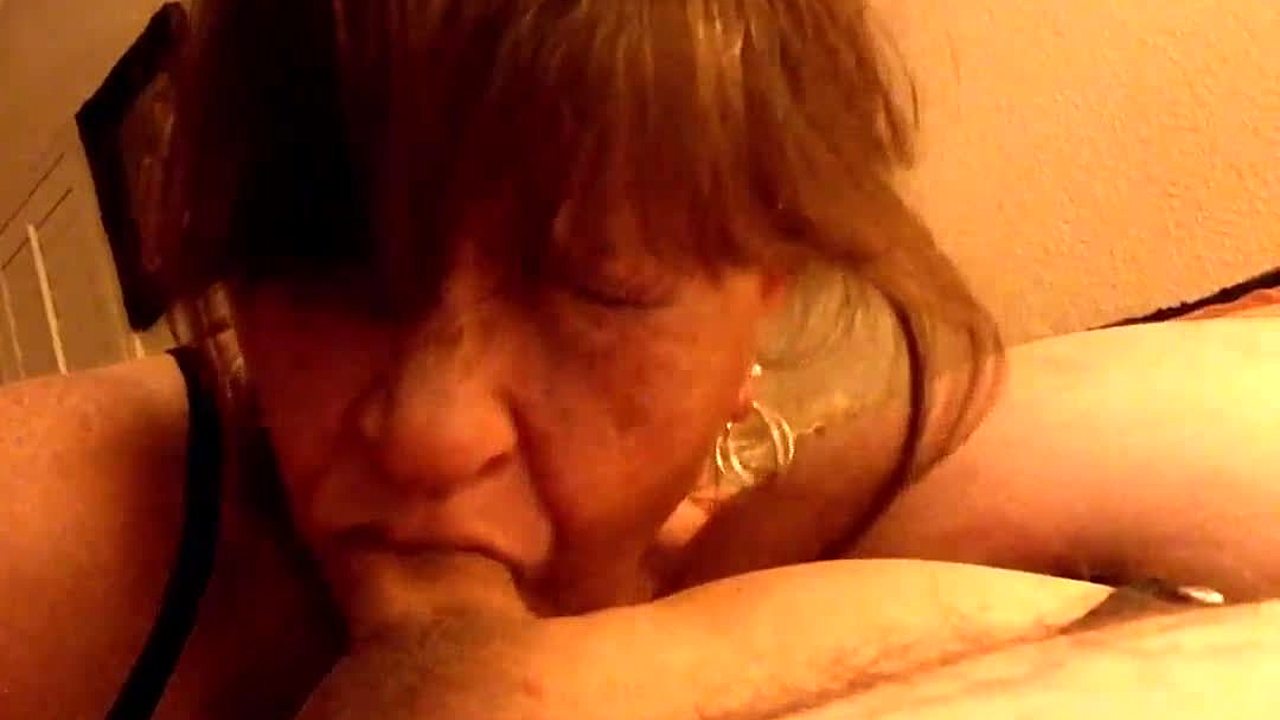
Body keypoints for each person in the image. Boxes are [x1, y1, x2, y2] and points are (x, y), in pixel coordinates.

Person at [2, 1, 1279, 718]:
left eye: (593, 291)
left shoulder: (805, 547)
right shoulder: (73, 526)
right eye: (333, 272)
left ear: (766, 289)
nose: (429, 430)